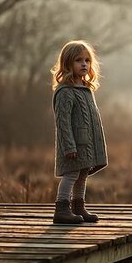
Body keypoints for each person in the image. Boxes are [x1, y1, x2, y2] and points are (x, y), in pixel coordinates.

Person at [50, 40, 108, 224]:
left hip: (86, 143)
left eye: (87, 60)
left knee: (82, 175)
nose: (84, 64)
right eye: (78, 60)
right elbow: (63, 122)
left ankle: (78, 207)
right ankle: (62, 208)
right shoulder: (65, 92)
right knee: (71, 175)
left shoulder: (86, 90)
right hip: (73, 144)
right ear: (67, 64)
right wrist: (69, 146)